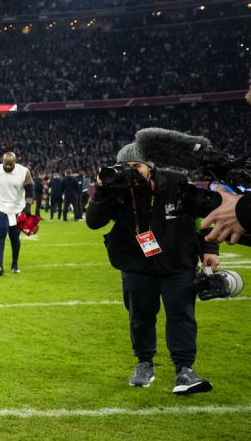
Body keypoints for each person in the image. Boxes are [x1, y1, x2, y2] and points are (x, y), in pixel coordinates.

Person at [86, 144, 220, 393]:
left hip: (177, 261)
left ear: (150, 166)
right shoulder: (118, 189)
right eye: (125, 167)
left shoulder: (176, 182)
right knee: (140, 317)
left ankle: (184, 370)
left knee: (181, 314)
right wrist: (103, 191)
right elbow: (93, 222)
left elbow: (203, 215)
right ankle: (144, 364)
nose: (131, 172)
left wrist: (211, 249)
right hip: (136, 264)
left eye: (136, 166)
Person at [0, 152, 34, 276]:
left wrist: (28, 205)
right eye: (6, 164)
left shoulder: (24, 171)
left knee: (15, 237)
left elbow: (30, 190)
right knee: (0, 234)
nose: (8, 167)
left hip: (17, 208)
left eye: (11, 164)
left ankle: (14, 264)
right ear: (2, 161)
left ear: (15, 162)